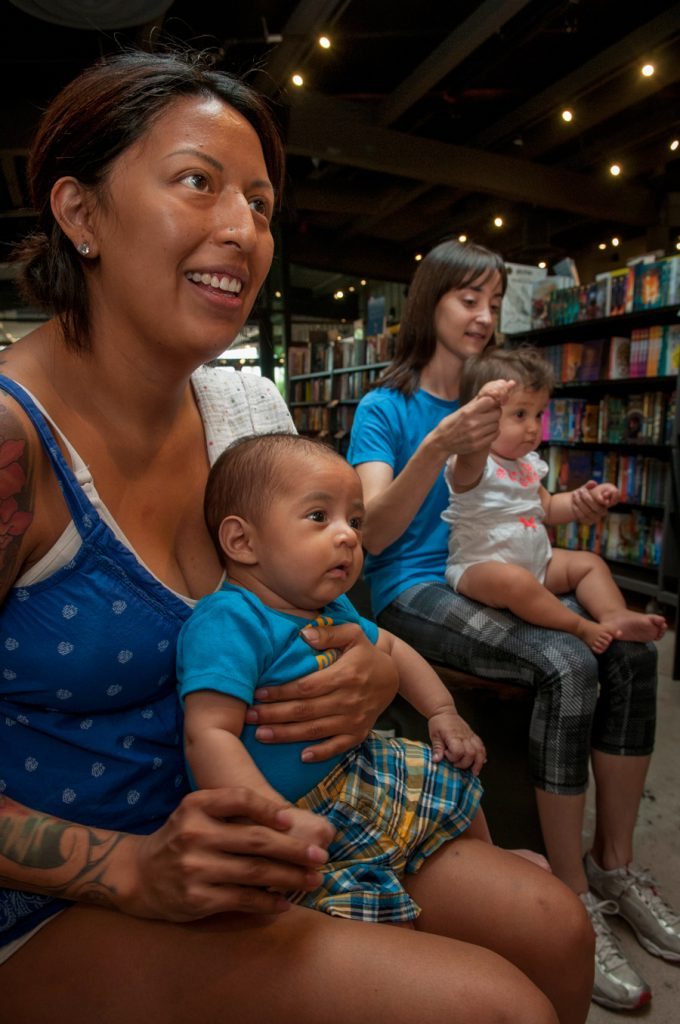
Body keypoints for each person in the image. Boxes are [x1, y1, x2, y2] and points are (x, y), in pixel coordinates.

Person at [0, 50, 593, 1024]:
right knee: (492, 1006)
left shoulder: (246, 409)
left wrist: (366, 671)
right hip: (63, 888)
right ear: (81, 212)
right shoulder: (13, 443)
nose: (242, 229)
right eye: (198, 181)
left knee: (553, 924)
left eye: (261, 203)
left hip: (283, 821)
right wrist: (129, 868)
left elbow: (321, 609)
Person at [347, 238, 680, 1012]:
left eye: (494, 303)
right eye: (469, 299)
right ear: (429, 301)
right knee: (567, 660)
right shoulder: (385, 408)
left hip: (508, 569)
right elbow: (373, 537)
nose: (484, 315)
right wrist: (440, 443)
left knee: (629, 656)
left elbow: (529, 504)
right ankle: (569, 897)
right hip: (415, 585)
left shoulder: (507, 395)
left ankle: (613, 865)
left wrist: (571, 509)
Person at [177, 431, 495, 923]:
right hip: (289, 812)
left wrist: (442, 711)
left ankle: (490, 859)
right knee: (368, 916)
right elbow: (208, 734)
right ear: (242, 541)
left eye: (355, 521)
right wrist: (273, 817)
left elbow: (392, 648)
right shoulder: (231, 620)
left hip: (356, 770)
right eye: (318, 517)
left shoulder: (334, 607)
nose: (348, 535)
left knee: (452, 776)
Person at [443, 345, 667, 654]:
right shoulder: (472, 463)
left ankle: (615, 614)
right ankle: (579, 626)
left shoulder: (527, 465)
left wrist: (583, 498)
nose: (533, 427)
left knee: (590, 563)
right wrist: (479, 416)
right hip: (479, 568)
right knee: (517, 583)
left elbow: (547, 508)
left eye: (538, 414)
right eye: (520, 414)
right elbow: (470, 458)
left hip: (538, 562)